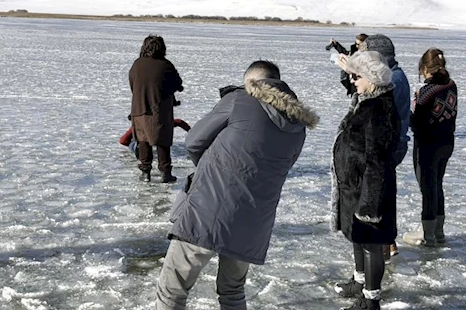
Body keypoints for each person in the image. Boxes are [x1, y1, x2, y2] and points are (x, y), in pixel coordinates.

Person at [156, 61, 319, 310]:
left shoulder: (239, 100)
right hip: (253, 221)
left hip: (207, 210)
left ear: (250, 82)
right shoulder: (297, 124)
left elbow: (193, 141)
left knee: (172, 292)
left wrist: (213, 170)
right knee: (232, 292)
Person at [330, 51, 400, 310]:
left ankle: (371, 302)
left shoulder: (378, 110)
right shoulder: (367, 101)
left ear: (371, 79)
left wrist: (369, 205)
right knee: (358, 238)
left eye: (357, 76)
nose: (353, 81)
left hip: (369, 191)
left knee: (370, 243)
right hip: (354, 187)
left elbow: (378, 160)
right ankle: (359, 285)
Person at [361, 34, 410, 261]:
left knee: (380, 194)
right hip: (391, 144)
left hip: (389, 146)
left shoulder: (394, 79)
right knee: (383, 192)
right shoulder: (395, 75)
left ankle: (383, 245)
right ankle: (388, 243)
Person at [402, 48, 457, 247]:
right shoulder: (451, 85)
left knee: (428, 189)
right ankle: (439, 232)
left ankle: (429, 236)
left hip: (428, 146)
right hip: (447, 143)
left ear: (424, 68)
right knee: (437, 185)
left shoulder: (427, 92)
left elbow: (418, 123)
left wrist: (408, 110)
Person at [129, 35, 183, 183]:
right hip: (159, 109)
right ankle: (165, 173)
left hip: (139, 108)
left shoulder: (137, 64)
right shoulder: (166, 65)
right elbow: (178, 83)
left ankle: (146, 173)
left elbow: (132, 84)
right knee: (162, 141)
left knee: (143, 141)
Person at [119, 118, 191, 158]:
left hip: (143, 140)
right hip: (159, 139)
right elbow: (179, 122)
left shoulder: (138, 124)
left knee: (137, 141)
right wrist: (191, 132)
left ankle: (138, 147)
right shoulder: (165, 121)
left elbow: (123, 141)